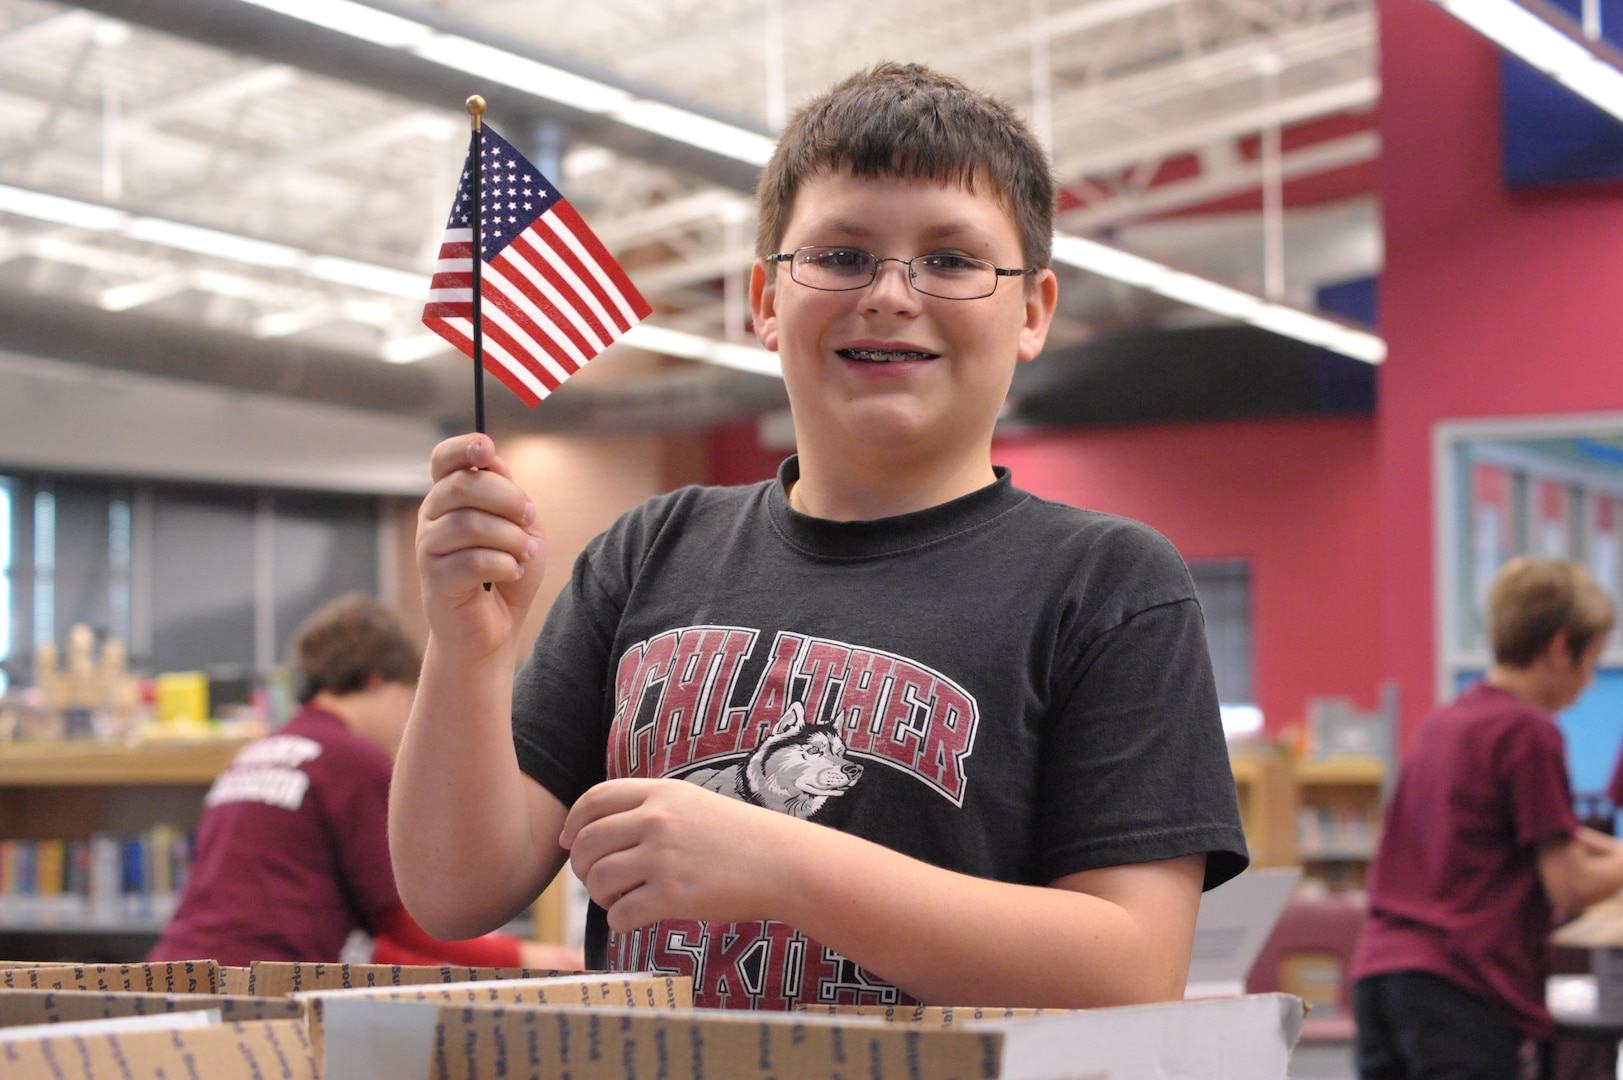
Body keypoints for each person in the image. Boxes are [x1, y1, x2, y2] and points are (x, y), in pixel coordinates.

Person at [392, 61, 1247, 1011]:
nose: (889, 293)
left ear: (1032, 311)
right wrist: (467, 650)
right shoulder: (649, 553)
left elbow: (1130, 970)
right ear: (765, 300)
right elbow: (453, 890)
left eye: (952, 260)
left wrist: (781, 861)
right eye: (840, 256)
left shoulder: (1109, 584)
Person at [151, 593, 579, 970]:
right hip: (259, 986)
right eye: (408, 697)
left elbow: (365, 944)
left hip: (182, 970)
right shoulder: (352, 760)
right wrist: (525, 958)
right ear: (377, 678)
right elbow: (408, 921)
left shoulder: (261, 751)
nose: (406, 722)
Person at [1351, 557, 1623, 1080]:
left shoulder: (1449, 723)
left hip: (1382, 978)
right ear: (1560, 648)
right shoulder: (1529, 733)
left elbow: (1548, 831)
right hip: (1459, 988)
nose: (1590, 682)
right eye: (1591, 660)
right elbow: (1568, 883)